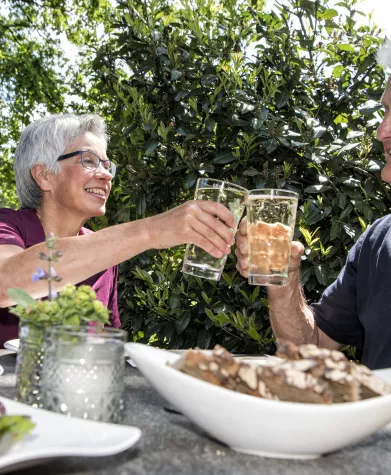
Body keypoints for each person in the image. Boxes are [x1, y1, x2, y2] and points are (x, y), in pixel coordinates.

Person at [236, 20, 391, 424]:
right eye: (386, 111)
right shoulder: (380, 242)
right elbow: (310, 353)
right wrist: (284, 286)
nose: (382, 130)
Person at [0, 114, 236, 344]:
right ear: (44, 175)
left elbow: (109, 343)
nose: (105, 175)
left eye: (107, 165)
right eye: (88, 160)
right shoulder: (7, 224)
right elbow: (5, 282)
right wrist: (151, 231)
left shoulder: (103, 254)